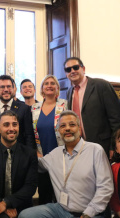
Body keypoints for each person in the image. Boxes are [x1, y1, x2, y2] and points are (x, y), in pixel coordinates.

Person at [18, 110, 114, 218]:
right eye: (63, 126)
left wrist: (86, 216)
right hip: (61, 211)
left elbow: (105, 188)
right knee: (25, 217)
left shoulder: (95, 150)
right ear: (58, 131)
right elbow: (35, 163)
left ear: (79, 128)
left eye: (71, 125)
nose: (67, 129)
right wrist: (14, 146)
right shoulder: (55, 154)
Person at [65, 57, 120, 158]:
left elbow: (116, 119)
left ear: (83, 69)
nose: (72, 71)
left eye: (75, 67)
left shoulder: (101, 86)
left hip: (103, 146)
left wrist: (113, 146)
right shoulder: (69, 92)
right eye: (68, 69)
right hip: (80, 148)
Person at [31, 75, 67, 205]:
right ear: (42, 88)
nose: (49, 85)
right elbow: (30, 133)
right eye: (46, 83)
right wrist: (36, 151)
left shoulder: (64, 105)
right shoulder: (34, 108)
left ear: (57, 88)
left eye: (53, 83)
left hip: (62, 157)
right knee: (44, 195)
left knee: (62, 195)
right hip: (42, 158)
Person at [0, 75, 35, 148]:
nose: (6, 90)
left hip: (19, 154)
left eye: (9, 86)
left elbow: (29, 136)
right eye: (2, 87)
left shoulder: (24, 109)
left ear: (13, 89)